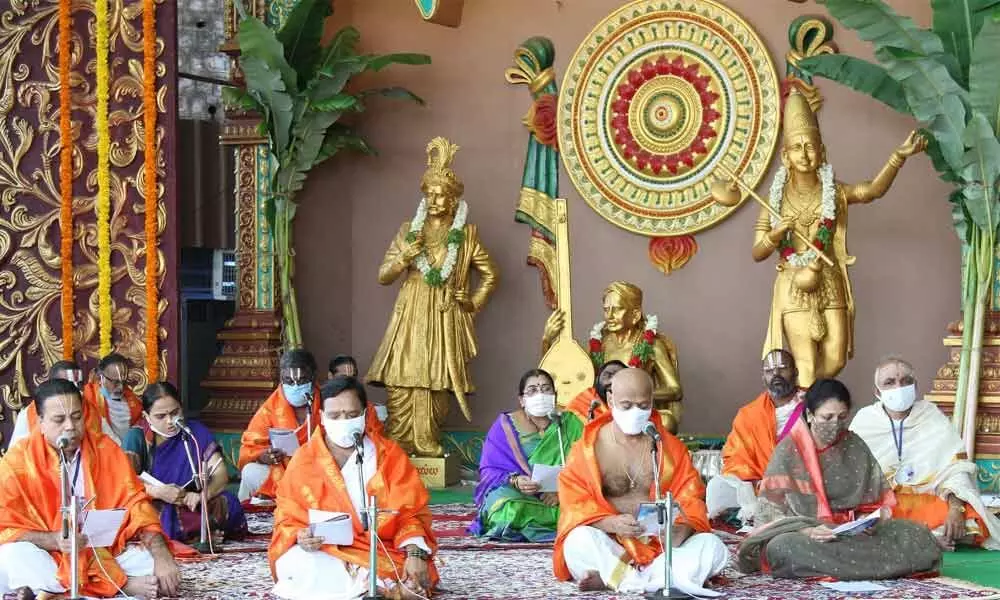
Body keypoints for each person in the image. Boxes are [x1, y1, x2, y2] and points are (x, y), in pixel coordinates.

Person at [714, 90, 926, 388]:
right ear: (786, 156)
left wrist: (897, 158)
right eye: (797, 148)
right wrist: (776, 234)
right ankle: (811, 421)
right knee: (806, 364)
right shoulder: (772, 200)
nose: (804, 154)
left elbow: (870, 191)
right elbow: (757, 252)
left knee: (836, 358)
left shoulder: (835, 192)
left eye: (810, 147)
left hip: (828, 279)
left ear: (822, 152)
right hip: (793, 283)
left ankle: (809, 404)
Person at [366, 137, 499, 458]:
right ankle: (400, 438)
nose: (437, 199)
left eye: (443, 195)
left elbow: (491, 275)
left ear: (454, 201)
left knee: (436, 379)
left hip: (443, 315)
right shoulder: (407, 231)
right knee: (402, 375)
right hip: (410, 312)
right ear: (424, 198)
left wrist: (470, 302)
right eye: (431, 194)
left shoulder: (466, 236)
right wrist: (404, 259)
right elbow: (383, 276)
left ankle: (426, 439)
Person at [737, 379, 942, 579]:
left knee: (916, 534)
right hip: (807, 535)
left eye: (842, 417)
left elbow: (876, 502)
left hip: (853, 534)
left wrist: (866, 521)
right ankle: (886, 566)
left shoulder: (854, 444)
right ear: (810, 415)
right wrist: (807, 530)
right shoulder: (788, 450)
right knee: (782, 548)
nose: (835, 425)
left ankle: (852, 568)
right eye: (827, 418)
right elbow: (769, 513)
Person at [0, 379, 180, 599]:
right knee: (10, 556)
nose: (70, 426)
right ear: (40, 422)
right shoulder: (16, 462)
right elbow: (5, 527)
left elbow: (137, 504)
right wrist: (53, 540)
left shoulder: (106, 449)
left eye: (77, 417)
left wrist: (161, 554)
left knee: (150, 564)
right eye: (59, 419)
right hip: (49, 556)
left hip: (101, 553)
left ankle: (55, 594)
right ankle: (117, 587)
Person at [554, 369, 727, 596]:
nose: (635, 412)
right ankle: (660, 580)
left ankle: (618, 578)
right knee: (577, 542)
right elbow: (573, 500)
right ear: (610, 400)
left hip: (662, 546)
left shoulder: (669, 448)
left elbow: (690, 496)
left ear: (652, 402)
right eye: (626, 406)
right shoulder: (589, 447)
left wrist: (682, 528)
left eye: (643, 405)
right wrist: (610, 523)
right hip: (613, 542)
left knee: (713, 547)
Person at [269, 376, 438, 600]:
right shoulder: (304, 459)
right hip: (324, 551)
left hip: (379, 549)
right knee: (296, 564)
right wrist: (302, 537)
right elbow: (287, 518)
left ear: (365, 415)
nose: (343, 421)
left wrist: (415, 553)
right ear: (321, 417)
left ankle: (374, 585)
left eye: (351, 415)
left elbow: (411, 515)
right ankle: (375, 587)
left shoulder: (389, 456)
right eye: (335, 415)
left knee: (414, 573)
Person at [850, 357, 1000, 550]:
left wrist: (956, 509)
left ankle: (917, 538)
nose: (899, 387)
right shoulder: (865, 420)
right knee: (865, 523)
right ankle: (927, 539)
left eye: (906, 381)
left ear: (916, 386)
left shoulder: (931, 416)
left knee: (972, 522)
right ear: (877, 392)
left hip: (928, 499)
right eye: (890, 382)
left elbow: (957, 468)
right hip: (884, 504)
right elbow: (852, 474)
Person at [542, 282, 684, 432]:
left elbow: (675, 389)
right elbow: (569, 377)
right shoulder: (599, 345)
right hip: (603, 412)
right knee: (570, 419)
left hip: (636, 413)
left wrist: (637, 395)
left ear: (635, 314)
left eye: (616, 310)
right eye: (606, 310)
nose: (609, 316)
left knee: (667, 421)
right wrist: (547, 340)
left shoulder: (652, 346)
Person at [122, 382, 248, 544]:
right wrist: (158, 492)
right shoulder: (136, 437)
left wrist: (203, 495)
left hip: (193, 500)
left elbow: (220, 474)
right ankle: (200, 535)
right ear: (146, 416)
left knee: (227, 502)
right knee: (152, 513)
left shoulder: (195, 431)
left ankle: (198, 534)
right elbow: (125, 484)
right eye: (161, 416)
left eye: (175, 413)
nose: (170, 421)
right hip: (156, 500)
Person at [470, 369, 582, 542]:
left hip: (564, 495)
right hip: (521, 494)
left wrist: (561, 492)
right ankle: (555, 524)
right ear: (521, 400)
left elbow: (586, 465)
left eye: (546, 389)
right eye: (532, 390)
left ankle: (553, 522)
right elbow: (489, 469)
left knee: (585, 508)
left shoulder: (570, 423)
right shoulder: (506, 425)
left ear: (555, 395)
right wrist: (516, 480)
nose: (540, 394)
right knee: (505, 509)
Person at [707, 349, 805, 522]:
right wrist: (755, 483)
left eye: (782, 368)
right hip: (758, 488)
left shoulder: (812, 405)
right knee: (718, 487)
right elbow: (736, 458)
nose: (776, 374)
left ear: (796, 372)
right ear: (763, 378)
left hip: (802, 486)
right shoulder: (749, 414)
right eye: (769, 371)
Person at [238, 349, 323, 502]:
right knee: (250, 471)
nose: (295, 386)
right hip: (282, 473)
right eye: (289, 381)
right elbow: (250, 447)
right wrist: (265, 456)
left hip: (320, 474)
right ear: (281, 379)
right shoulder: (270, 408)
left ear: (313, 377)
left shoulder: (328, 402)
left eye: (302, 380)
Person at [8, 360, 89, 449]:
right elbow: (18, 452)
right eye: (66, 385)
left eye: (79, 384)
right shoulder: (27, 415)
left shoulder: (92, 409)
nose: (76, 391)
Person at [82, 353, 144, 444]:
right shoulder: (89, 398)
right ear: (101, 378)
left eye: (124, 382)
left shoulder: (131, 399)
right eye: (115, 382)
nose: (121, 387)